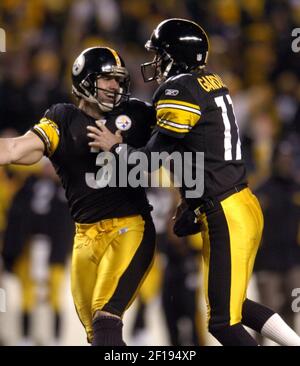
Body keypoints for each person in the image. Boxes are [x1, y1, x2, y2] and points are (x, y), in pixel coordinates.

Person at [88, 19, 300, 346]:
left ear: (175, 55)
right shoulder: (209, 81)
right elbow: (201, 149)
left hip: (225, 213)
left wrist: (114, 147)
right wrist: (190, 200)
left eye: (160, 55)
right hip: (239, 204)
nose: (155, 63)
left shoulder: (179, 89)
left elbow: (152, 159)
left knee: (221, 322)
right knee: (235, 305)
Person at [0, 46, 157, 346]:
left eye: (119, 80)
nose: (115, 86)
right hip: (84, 237)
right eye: (107, 79)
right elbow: (15, 149)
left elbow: (182, 146)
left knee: (105, 318)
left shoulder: (136, 114)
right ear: (84, 79)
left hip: (130, 227)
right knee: (97, 335)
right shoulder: (62, 118)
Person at [2, 160, 74, 346]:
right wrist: (11, 250)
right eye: (46, 165)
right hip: (28, 247)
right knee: (26, 295)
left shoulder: (66, 190)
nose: (49, 168)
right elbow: (15, 218)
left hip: (55, 250)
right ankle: (24, 338)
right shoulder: (26, 188)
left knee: (56, 295)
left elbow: (68, 224)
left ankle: (55, 339)